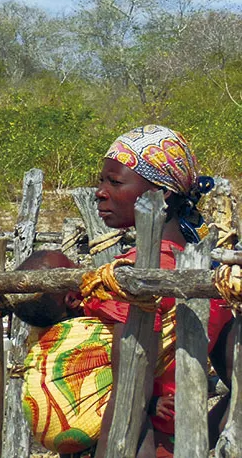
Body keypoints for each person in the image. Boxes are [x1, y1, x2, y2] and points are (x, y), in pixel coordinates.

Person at [17, 125, 235, 458]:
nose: (99, 193)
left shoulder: (131, 279)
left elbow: (127, 397)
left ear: (162, 194)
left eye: (114, 182)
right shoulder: (207, 277)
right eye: (101, 181)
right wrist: (203, 439)